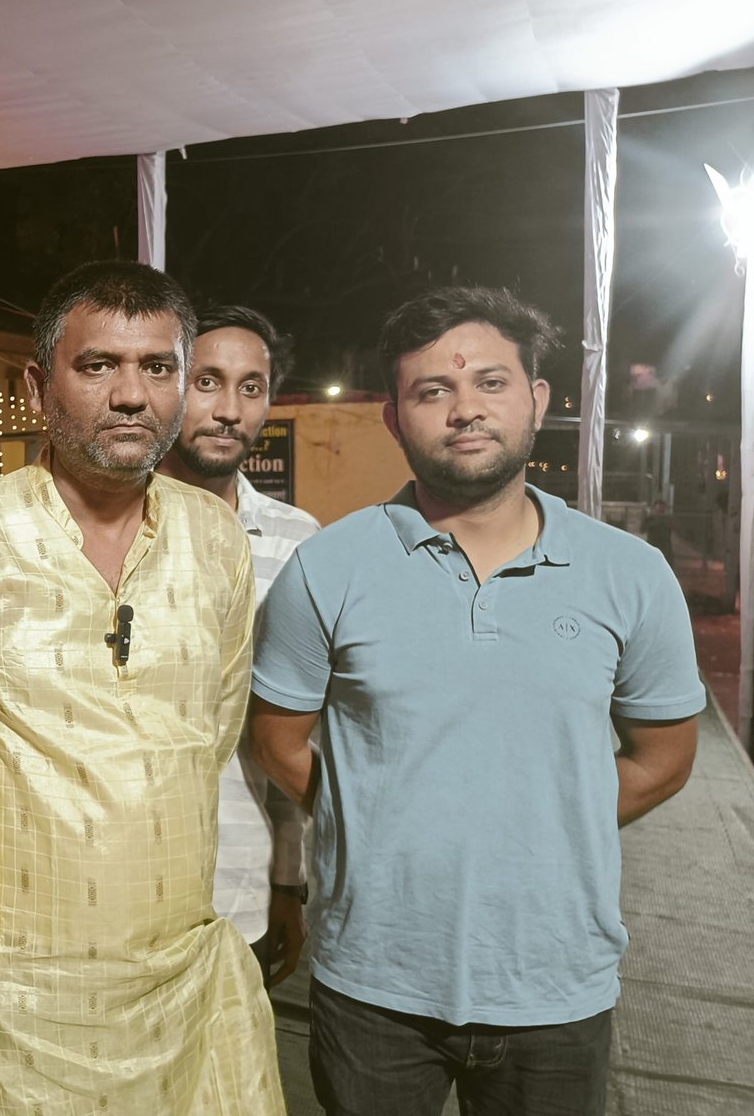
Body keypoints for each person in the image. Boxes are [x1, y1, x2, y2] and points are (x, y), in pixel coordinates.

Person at [251, 286, 703, 1116]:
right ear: (394, 419)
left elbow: (666, 758)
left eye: (491, 383)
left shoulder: (630, 574)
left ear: (537, 399)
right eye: (433, 391)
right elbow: (279, 739)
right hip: (373, 989)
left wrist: (544, 819)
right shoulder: (328, 567)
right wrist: (374, 813)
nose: (465, 410)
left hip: (556, 986)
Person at [0, 261, 286, 1115]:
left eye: (157, 367)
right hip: (11, 996)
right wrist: (12, 885)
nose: (131, 395)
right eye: (98, 366)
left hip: (178, 975)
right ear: (36, 386)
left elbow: (210, 733)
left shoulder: (215, 539)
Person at [158, 303, 319, 988]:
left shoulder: (297, 542)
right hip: (110, 885)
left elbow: (289, 729)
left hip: (239, 887)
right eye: (207, 382)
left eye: (251, 388)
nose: (229, 410)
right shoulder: (107, 528)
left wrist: (288, 880)